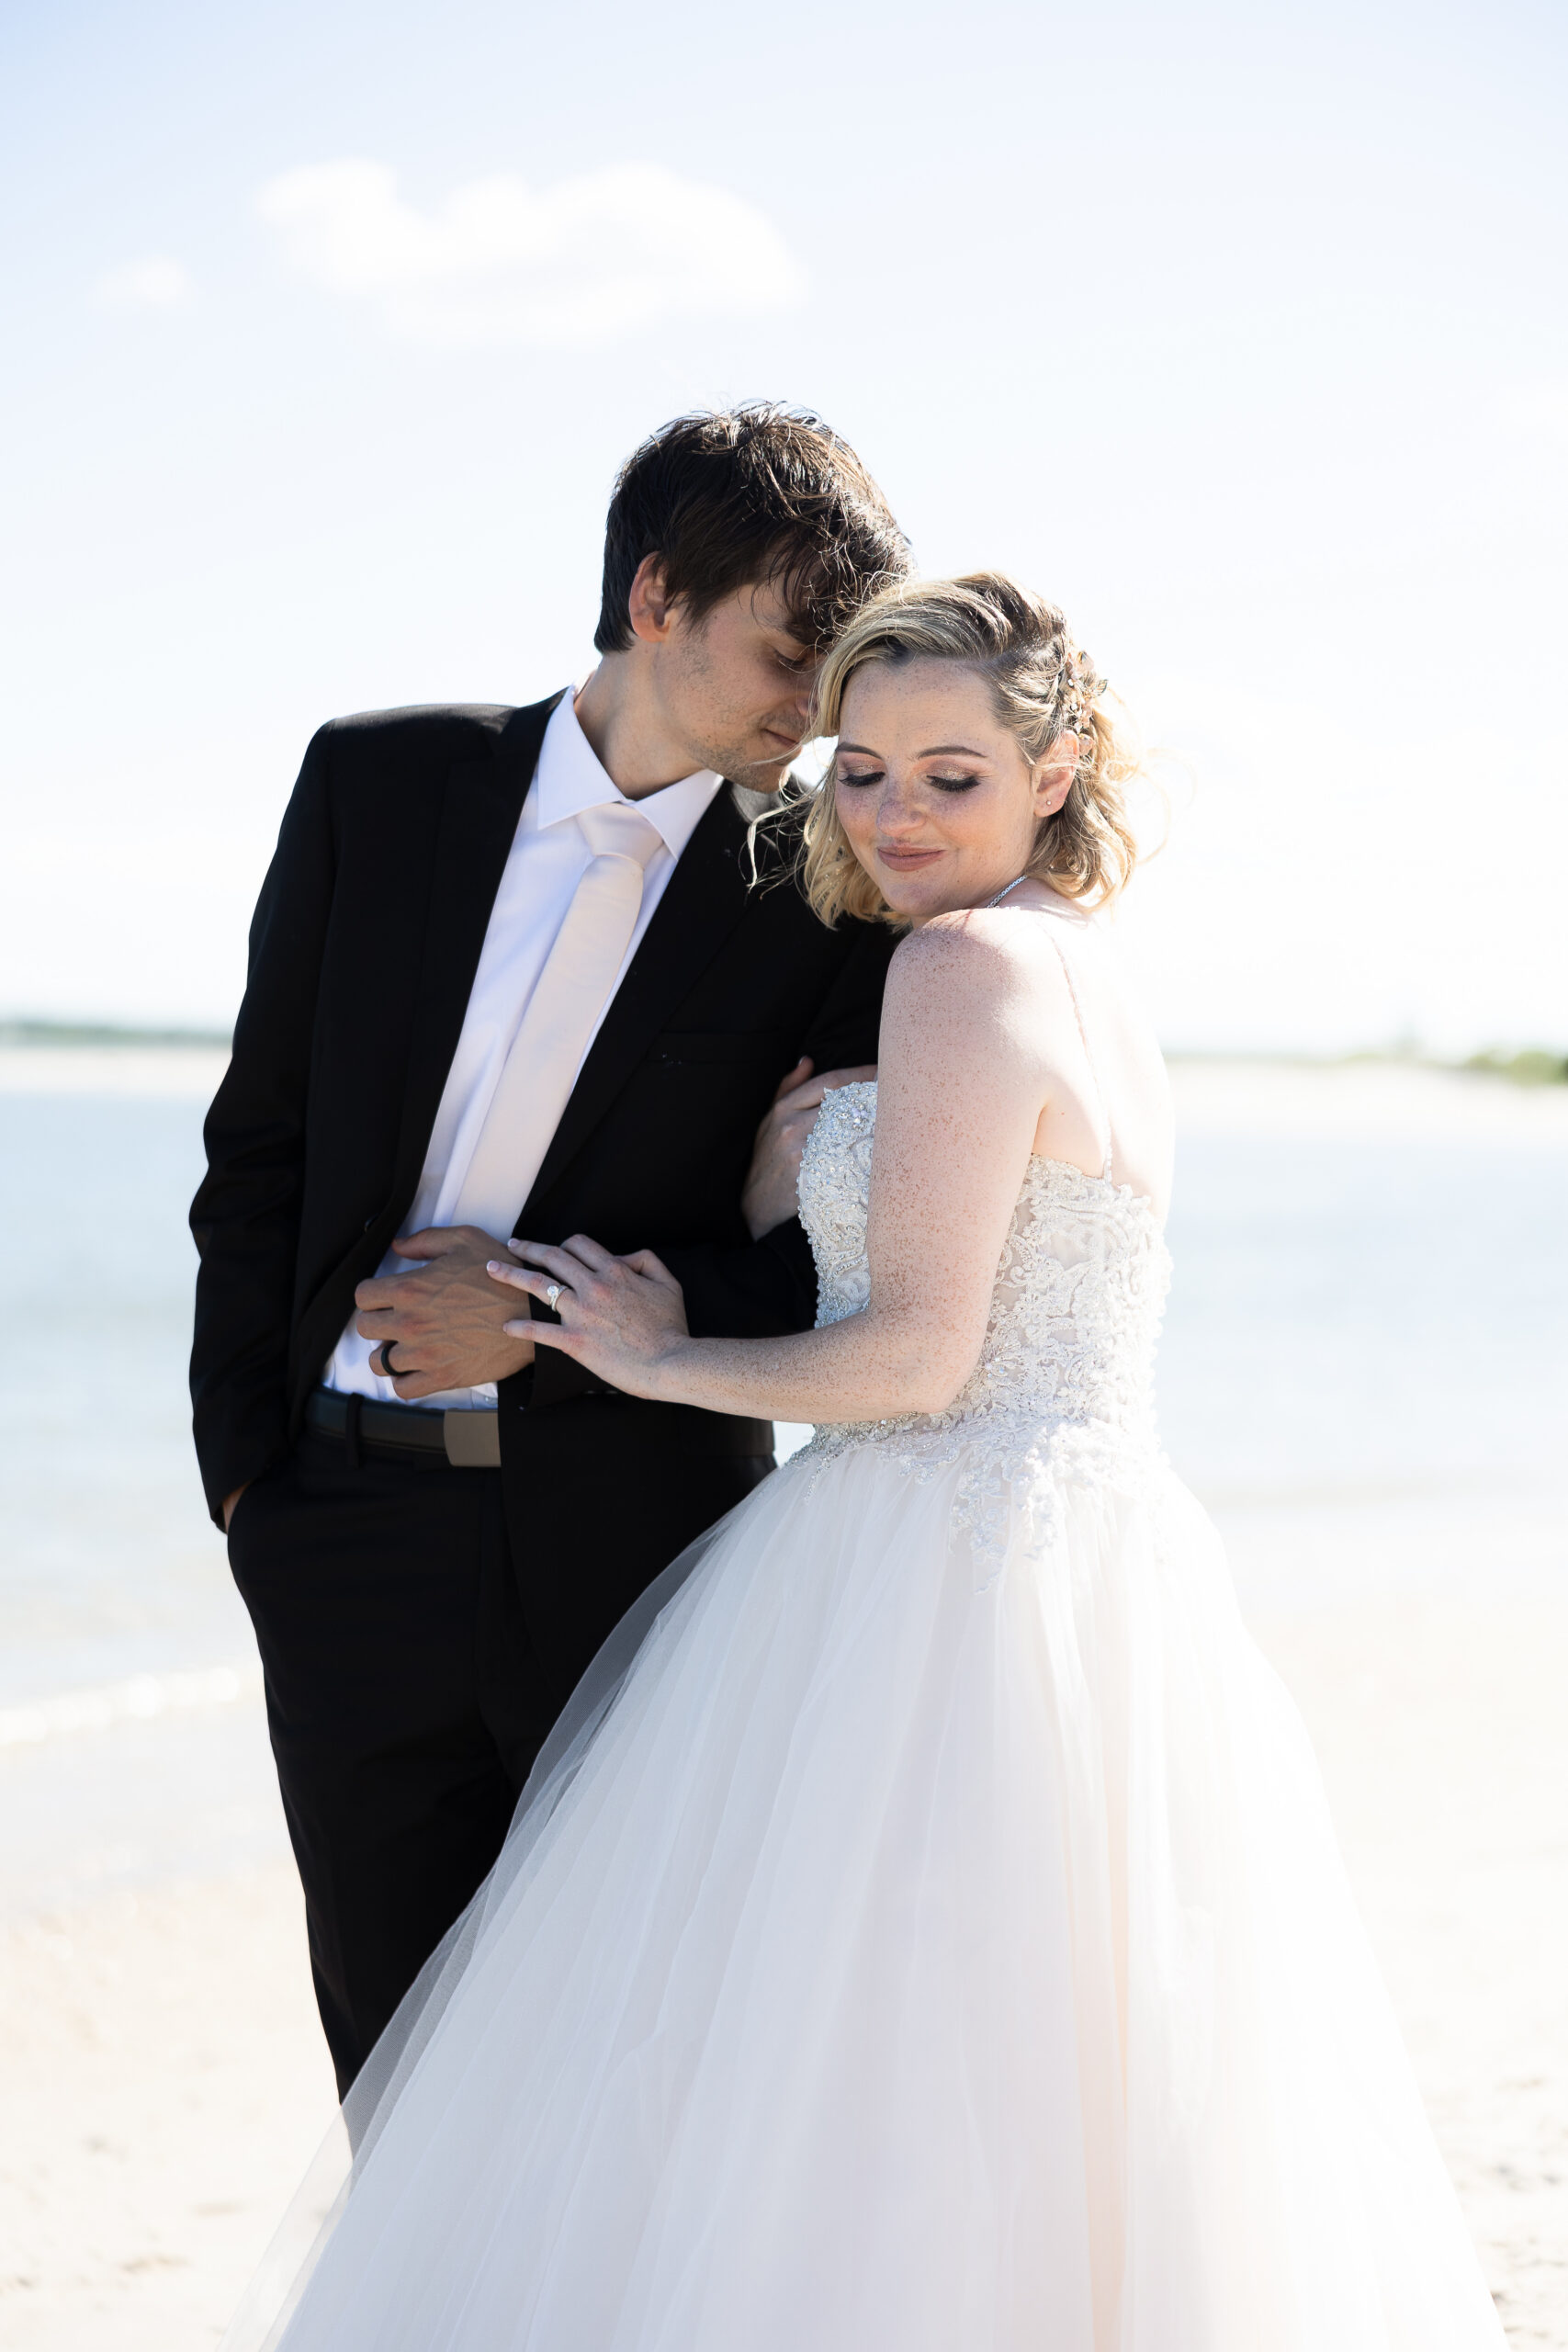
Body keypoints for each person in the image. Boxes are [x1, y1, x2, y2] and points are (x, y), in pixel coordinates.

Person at [226, 574, 1505, 2350]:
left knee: (848, 2066)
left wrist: (648, 1352)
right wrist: (781, 1191)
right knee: (1031, 2071)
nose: (896, 815)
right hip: (1084, 1562)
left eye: (953, 776)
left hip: (938, 1560)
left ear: (1057, 771)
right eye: (864, 770)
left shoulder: (958, 969)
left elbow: (913, 1358)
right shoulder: (1078, 969)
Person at [189, 404, 908, 2096]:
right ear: (656, 594)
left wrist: (537, 1316)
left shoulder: (831, 891)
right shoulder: (377, 783)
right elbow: (260, 1151)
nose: (812, 719)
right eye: (789, 656)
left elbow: (833, 1265)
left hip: (638, 1546)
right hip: (340, 1531)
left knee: (624, 2063)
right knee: (388, 2048)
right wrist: (245, 1482)